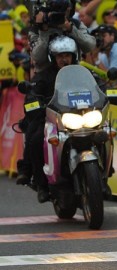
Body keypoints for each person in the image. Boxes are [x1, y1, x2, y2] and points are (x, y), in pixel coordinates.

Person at [18, 35, 79, 203]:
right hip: (52, 119)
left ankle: (105, 172)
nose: (64, 59)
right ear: (53, 57)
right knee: (37, 139)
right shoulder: (44, 76)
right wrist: (34, 103)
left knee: (104, 132)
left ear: (74, 56)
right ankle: (42, 185)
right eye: (60, 56)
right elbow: (31, 95)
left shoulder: (82, 72)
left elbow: (97, 87)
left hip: (80, 118)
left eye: (67, 55)